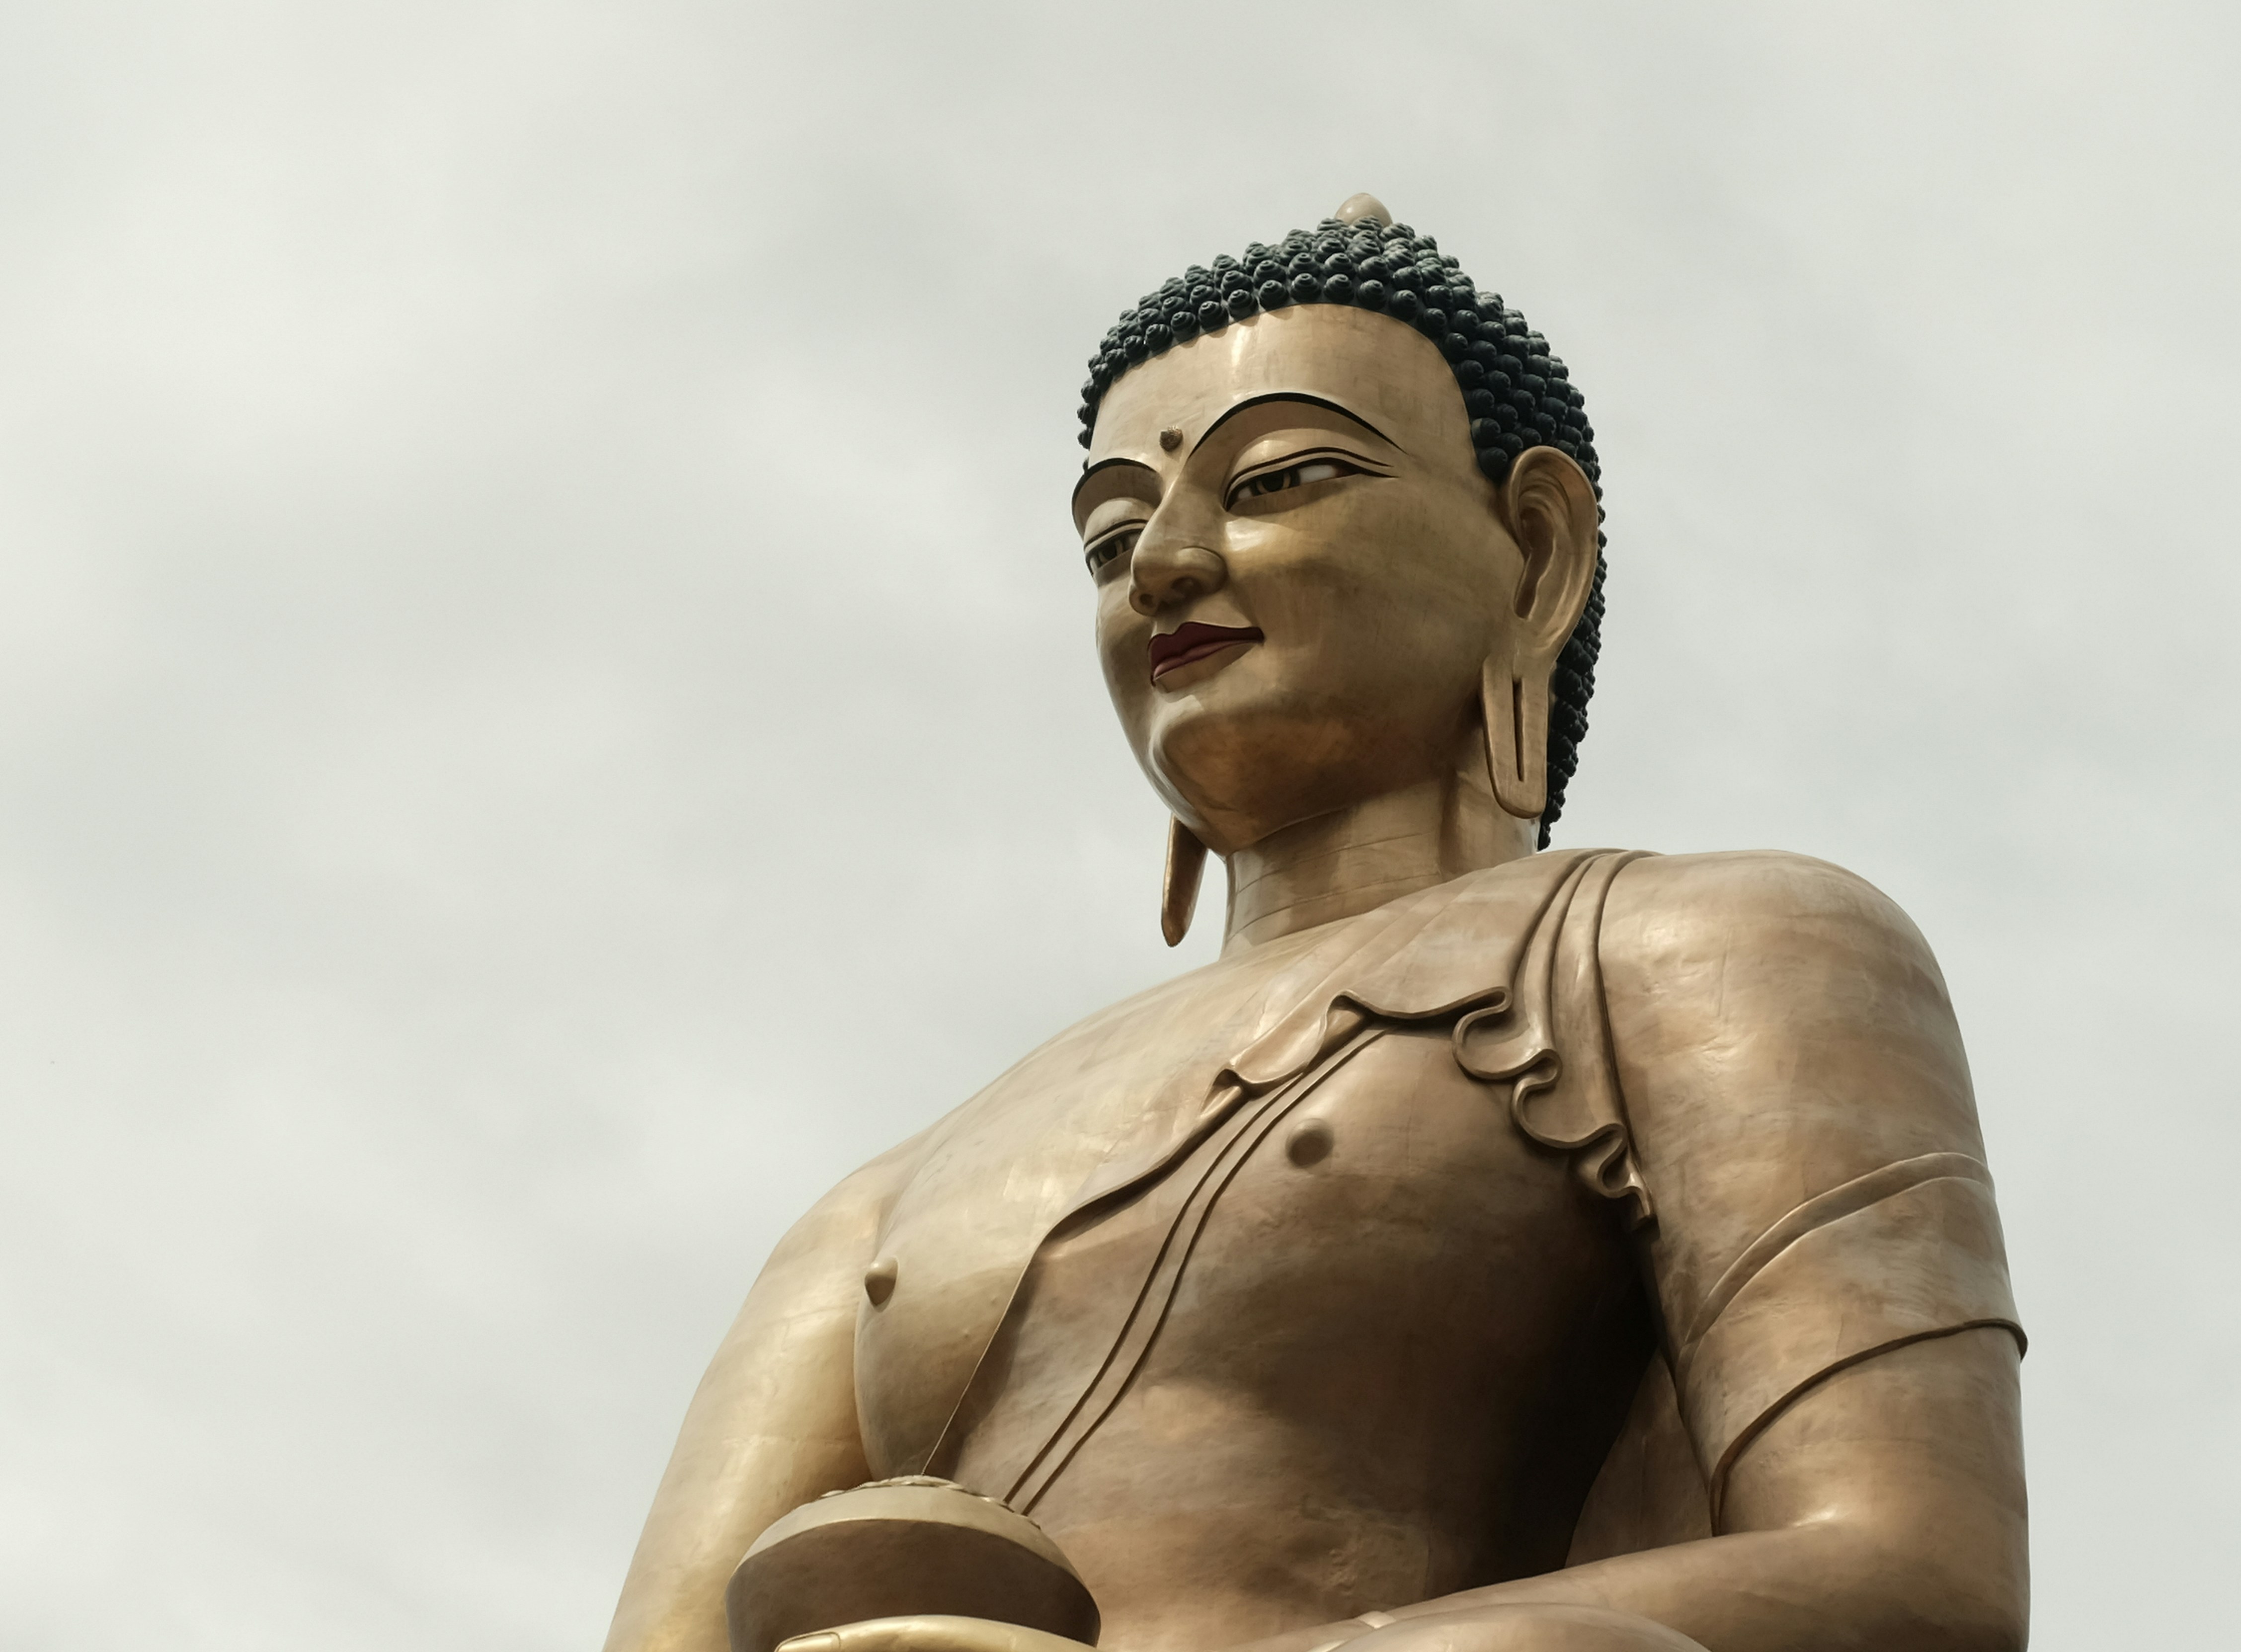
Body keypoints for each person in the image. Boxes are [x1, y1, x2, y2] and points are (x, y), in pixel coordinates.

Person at [605, 198, 2031, 1652]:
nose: (1161, 562)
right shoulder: (887, 1198)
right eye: (1108, 541)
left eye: (1276, 479)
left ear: (1536, 555)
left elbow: (1912, 1583)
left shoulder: (1712, 949)